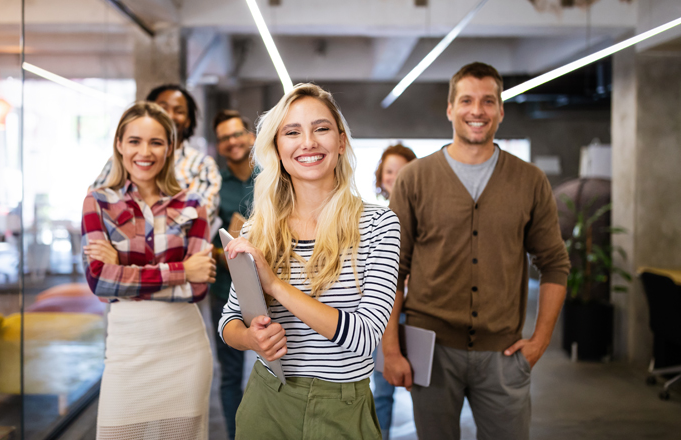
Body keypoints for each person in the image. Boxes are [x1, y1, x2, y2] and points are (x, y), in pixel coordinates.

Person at [382, 62, 570, 440]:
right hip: (428, 347)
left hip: (503, 352)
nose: (477, 110)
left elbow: (554, 264)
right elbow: (391, 270)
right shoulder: (414, 179)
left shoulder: (529, 180)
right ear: (450, 109)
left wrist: (539, 341)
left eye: (488, 101)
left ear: (501, 110)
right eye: (466, 100)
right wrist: (391, 349)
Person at [218, 84, 401, 439]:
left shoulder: (379, 225)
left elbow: (364, 338)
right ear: (278, 148)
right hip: (267, 402)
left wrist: (274, 286)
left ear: (342, 142)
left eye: (321, 128)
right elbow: (229, 321)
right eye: (292, 132)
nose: (308, 142)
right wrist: (252, 340)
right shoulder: (259, 230)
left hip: (344, 408)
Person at [81, 102, 217, 440]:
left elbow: (198, 288)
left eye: (156, 142)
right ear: (119, 145)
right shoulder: (98, 202)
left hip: (184, 351)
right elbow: (100, 282)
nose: (145, 152)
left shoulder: (192, 205)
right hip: (127, 353)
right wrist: (182, 269)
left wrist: (124, 269)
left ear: (170, 148)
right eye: (135, 141)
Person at [92, 84, 221, 223]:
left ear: (188, 120)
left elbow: (196, 222)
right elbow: (95, 208)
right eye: (163, 108)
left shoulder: (202, 165)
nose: (169, 115)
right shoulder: (124, 158)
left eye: (179, 111)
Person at [210, 109, 257, 440]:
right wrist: (227, 248)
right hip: (225, 290)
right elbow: (203, 246)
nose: (232, 142)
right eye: (224, 138)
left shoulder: (275, 179)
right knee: (230, 375)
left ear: (251, 137)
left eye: (236, 134)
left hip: (275, 288)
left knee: (282, 363)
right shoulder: (214, 189)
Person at [371, 143, 416, 440]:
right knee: (381, 391)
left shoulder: (423, 216)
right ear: (380, 176)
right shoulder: (372, 217)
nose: (395, 177)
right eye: (389, 171)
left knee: (424, 391)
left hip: (416, 315)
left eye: (402, 171)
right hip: (382, 316)